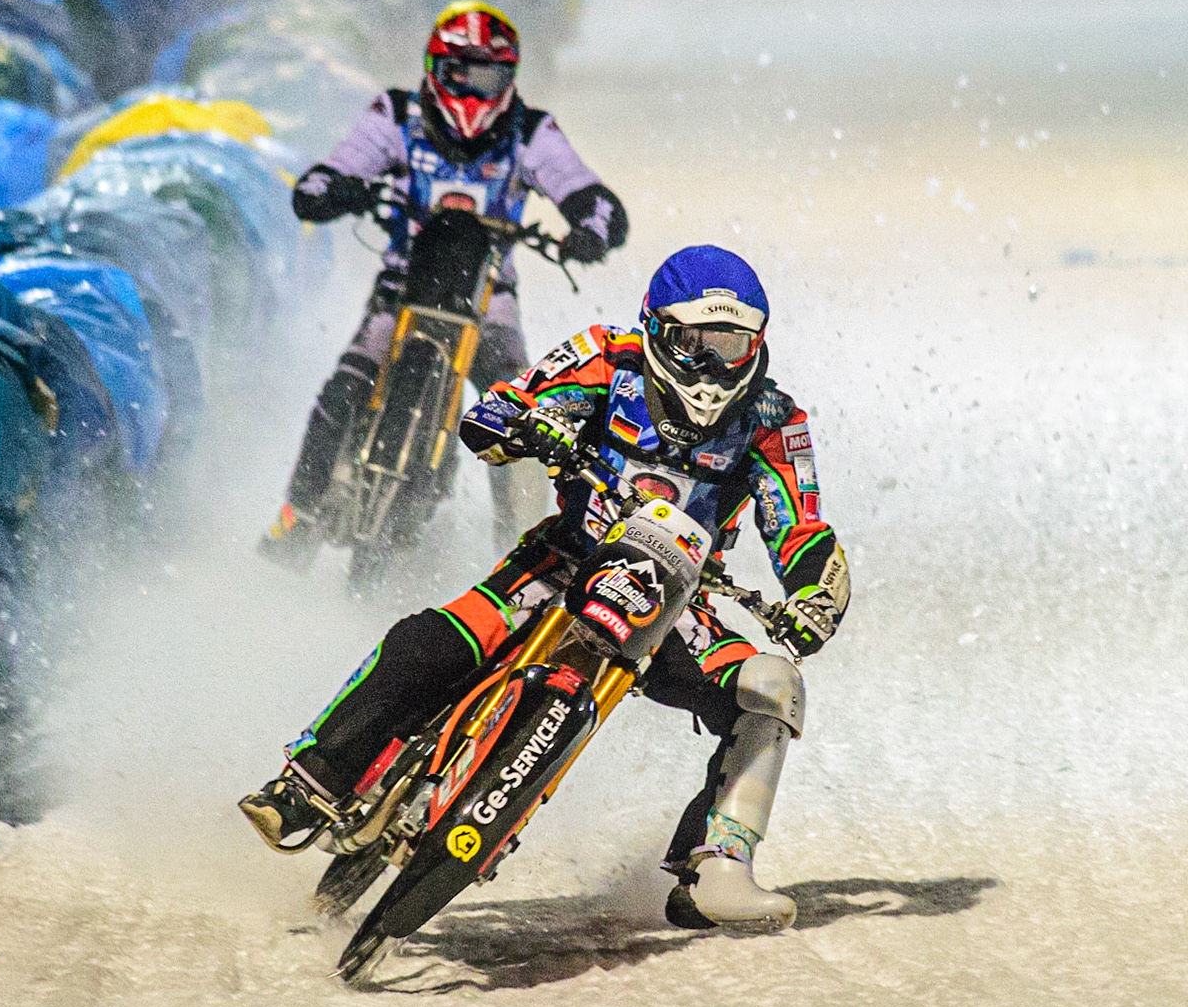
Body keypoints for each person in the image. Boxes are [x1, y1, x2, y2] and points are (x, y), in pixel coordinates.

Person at [241, 246, 851, 930]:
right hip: (563, 561)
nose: (712, 367)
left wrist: (813, 596)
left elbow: (798, 524)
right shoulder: (605, 355)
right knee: (430, 643)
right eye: (694, 343)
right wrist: (519, 423)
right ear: (655, 329)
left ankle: (718, 866)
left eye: (731, 345)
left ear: (757, 344)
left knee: (772, 686)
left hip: (682, 602)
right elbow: (513, 401)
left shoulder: (773, 419)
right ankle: (307, 782)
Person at [260, 0, 629, 564]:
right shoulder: (395, 114)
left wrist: (589, 228)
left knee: (528, 417)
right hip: (401, 287)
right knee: (345, 384)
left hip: (489, 302)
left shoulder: (530, 131)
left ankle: (526, 552)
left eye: (491, 75)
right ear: (436, 68)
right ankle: (297, 514)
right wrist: (338, 189)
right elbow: (322, 179)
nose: (476, 92)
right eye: (462, 72)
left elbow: (594, 198)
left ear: (511, 78)